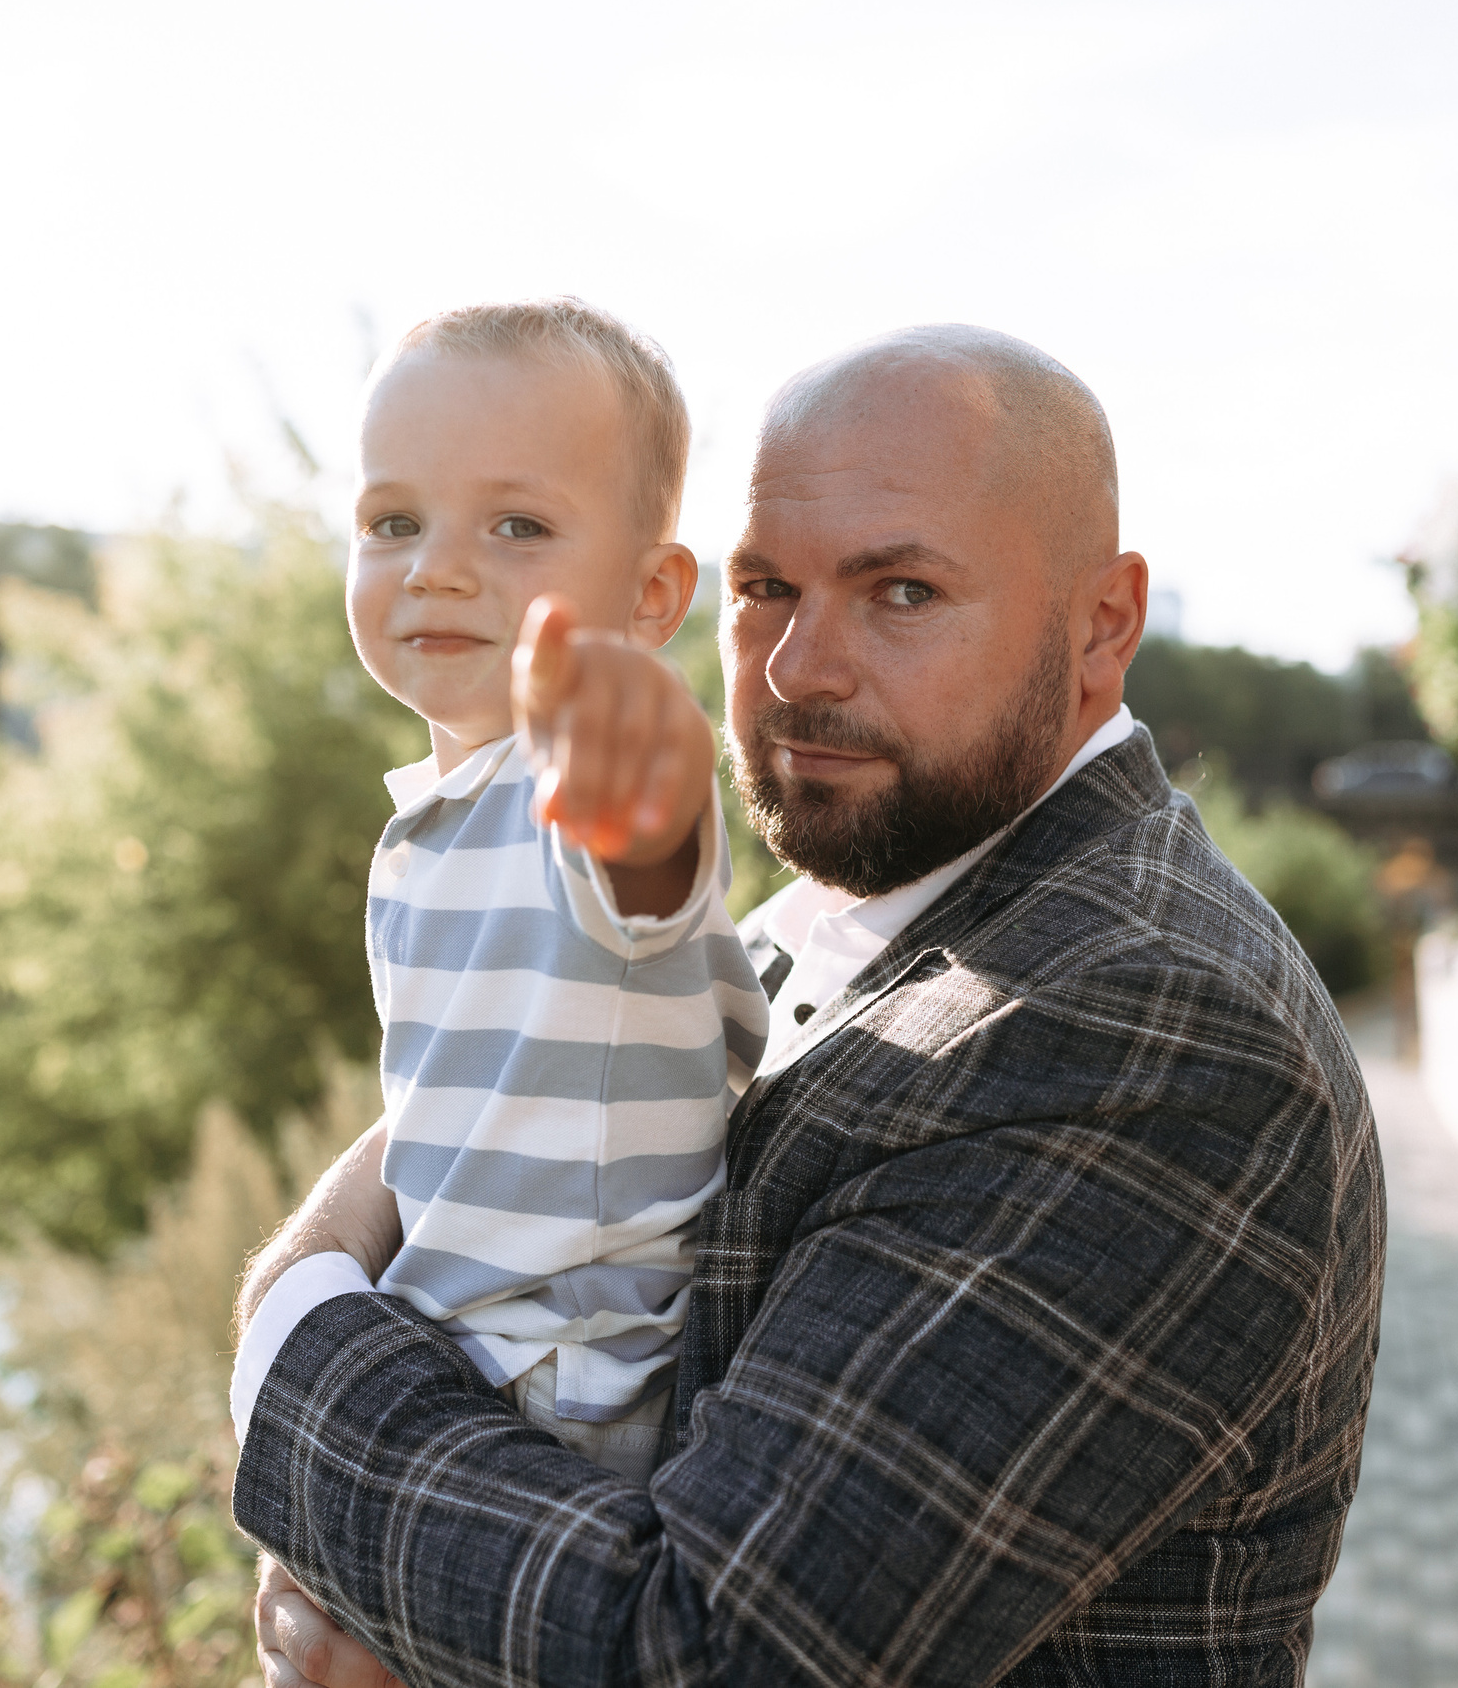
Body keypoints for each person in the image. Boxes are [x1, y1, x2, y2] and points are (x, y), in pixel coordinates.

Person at [229, 325, 1388, 1685]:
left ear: (1103, 626)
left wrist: (295, 1321)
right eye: (766, 587)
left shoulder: (1147, 1024)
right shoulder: (845, 918)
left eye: (900, 591)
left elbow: (701, 1652)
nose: (797, 669)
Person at [230, 297, 770, 1483]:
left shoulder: (565, 777)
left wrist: (645, 759)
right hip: (451, 1355)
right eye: (393, 522)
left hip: (562, 1389)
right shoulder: (433, 819)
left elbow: (644, 867)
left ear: (649, 597)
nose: (438, 570)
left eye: (518, 525)